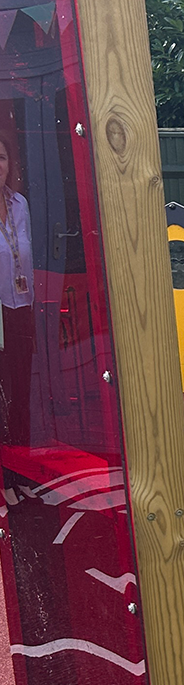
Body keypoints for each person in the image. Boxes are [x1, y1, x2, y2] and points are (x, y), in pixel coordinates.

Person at [0, 123, 32, 445]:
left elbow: (27, 254)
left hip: (21, 307)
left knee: (22, 388)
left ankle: (20, 465)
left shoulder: (21, 205)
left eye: (1, 157)